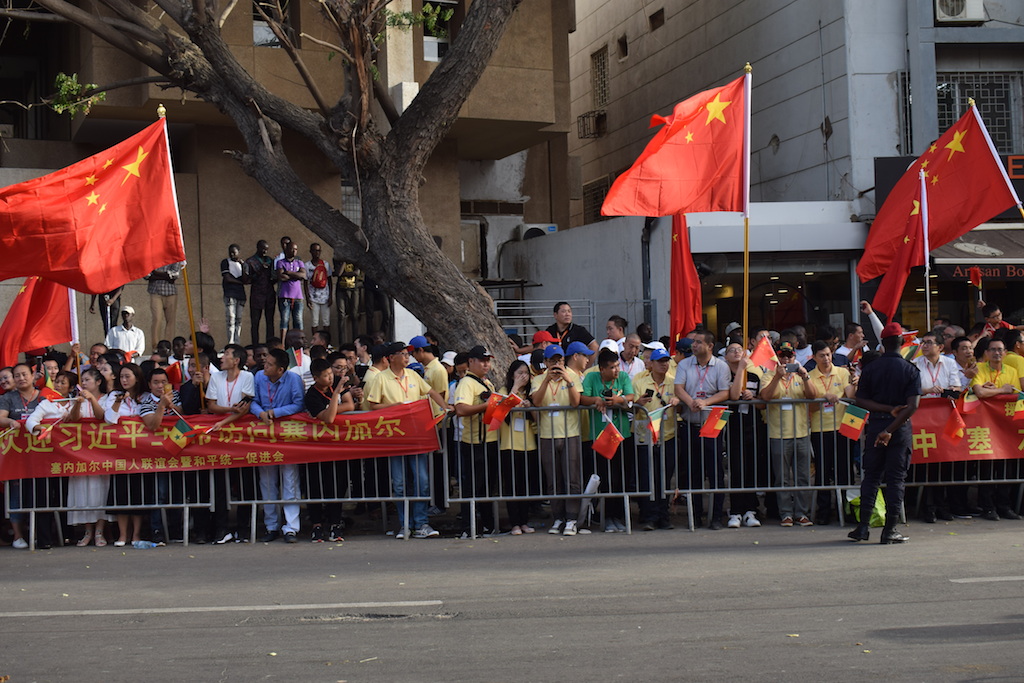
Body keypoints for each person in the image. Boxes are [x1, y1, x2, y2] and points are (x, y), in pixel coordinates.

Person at [848, 322, 921, 544]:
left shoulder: (871, 368)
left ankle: (862, 528)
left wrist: (885, 414)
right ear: (902, 343)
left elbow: (860, 400)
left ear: (883, 343)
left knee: (871, 477)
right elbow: (913, 405)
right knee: (896, 480)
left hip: (877, 426)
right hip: (898, 430)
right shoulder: (910, 369)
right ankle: (889, 530)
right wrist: (891, 426)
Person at [366, 342, 447, 539]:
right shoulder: (381, 379)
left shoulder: (413, 375)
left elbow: (430, 392)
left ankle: (421, 523)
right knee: (400, 483)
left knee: (422, 481)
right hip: (396, 438)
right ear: (390, 357)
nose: (406, 357)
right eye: (402, 354)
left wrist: (445, 406)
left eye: (407, 354)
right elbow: (372, 405)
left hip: (417, 436)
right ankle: (405, 524)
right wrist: (396, 407)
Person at [673, 331, 731, 529]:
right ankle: (695, 514)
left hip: (713, 421)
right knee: (693, 472)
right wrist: (691, 402)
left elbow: (725, 392)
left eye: (699, 342)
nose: (694, 345)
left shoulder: (721, 366)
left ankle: (715, 516)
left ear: (710, 346)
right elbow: (679, 388)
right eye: (694, 342)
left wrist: (705, 402)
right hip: (690, 422)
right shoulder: (684, 364)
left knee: (715, 471)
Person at [250, 348, 307, 543]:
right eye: (265, 362)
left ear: (281, 369)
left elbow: (299, 404)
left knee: (290, 480)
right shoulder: (258, 377)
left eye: (270, 364)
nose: (265, 365)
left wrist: (275, 412)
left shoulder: (293, 379)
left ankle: (291, 527)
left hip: (287, 435)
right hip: (264, 435)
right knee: (266, 481)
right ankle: (271, 525)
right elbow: (253, 401)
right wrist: (261, 413)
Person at [203, 343, 257, 543]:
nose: (222, 357)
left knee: (244, 484)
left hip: (242, 438)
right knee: (220, 485)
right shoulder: (216, 377)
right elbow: (211, 405)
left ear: (236, 360)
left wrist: (224, 420)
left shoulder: (248, 377)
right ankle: (222, 528)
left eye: (226, 354)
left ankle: (243, 529)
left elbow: (244, 408)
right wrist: (229, 410)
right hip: (219, 441)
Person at [759, 342, 814, 528]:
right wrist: (777, 377)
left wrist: (805, 376)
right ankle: (786, 514)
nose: (786, 359)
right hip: (779, 433)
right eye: (782, 356)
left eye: (789, 356)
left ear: (794, 357)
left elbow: (813, 396)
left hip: (801, 432)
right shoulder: (768, 375)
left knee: (803, 476)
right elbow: (765, 396)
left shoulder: (802, 373)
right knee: (781, 476)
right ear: (777, 358)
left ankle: (802, 513)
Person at [531, 344, 584, 536]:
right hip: (547, 434)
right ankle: (558, 517)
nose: (556, 364)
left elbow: (576, 401)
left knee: (572, 478)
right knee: (553, 479)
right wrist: (546, 379)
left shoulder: (572, 376)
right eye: (552, 360)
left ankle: (572, 519)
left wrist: (568, 379)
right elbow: (536, 402)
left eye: (559, 360)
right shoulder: (538, 379)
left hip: (570, 432)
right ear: (545, 362)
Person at [580, 348, 635, 533]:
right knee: (605, 477)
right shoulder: (591, 378)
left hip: (620, 435)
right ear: (602, 369)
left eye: (617, 366)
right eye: (612, 367)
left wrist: (618, 400)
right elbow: (582, 398)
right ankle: (605, 516)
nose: (616, 370)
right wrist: (596, 399)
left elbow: (630, 396)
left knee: (621, 476)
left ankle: (618, 515)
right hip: (600, 436)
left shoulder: (624, 378)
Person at [970, 338, 1022, 521]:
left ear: (1006, 353)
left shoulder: (1013, 371)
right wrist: (1002, 390)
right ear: (987, 353)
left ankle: (1004, 506)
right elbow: (980, 392)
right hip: (985, 428)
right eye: (992, 350)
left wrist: (999, 390)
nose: (996, 353)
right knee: (987, 469)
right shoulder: (980, 368)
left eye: (1000, 350)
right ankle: (988, 507)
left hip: (1006, 428)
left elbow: (1016, 394)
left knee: (1007, 469)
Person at [805, 340, 856, 525]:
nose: (826, 359)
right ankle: (824, 510)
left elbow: (851, 396)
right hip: (820, 429)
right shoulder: (809, 376)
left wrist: (855, 383)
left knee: (845, 470)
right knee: (823, 471)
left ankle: (848, 509)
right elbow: (808, 405)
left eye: (828, 354)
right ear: (814, 357)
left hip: (843, 428)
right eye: (822, 356)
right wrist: (822, 397)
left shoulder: (842, 372)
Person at [304, 357, 356, 542]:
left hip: (338, 446)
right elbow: (328, 418)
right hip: (315, 447)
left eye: (330, 374)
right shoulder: (311, 395)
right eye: (325, 376)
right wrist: (335, 398)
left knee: (337, 486)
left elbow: (350, 405)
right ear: (316, 378)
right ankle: (316, 525)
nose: (330, 378)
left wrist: (333, 407)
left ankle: (335, 524)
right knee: (315, 487)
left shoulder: (338, 384)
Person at [62, 367, 113, 546]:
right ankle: (87, 531)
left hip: (102, 453)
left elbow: (102, 417)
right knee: (83, 491)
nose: (83, 383)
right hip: (80, 454)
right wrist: (78, 402)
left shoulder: (108, 398)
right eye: (82, 380)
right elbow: (74, 419)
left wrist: (92, 400)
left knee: (100, 490)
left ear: (98, 382)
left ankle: (100, 531)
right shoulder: (77, 399)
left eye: (87, 380)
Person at [453, 346, 501, 536]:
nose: (486, 364)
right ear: (471, 362)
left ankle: (488, 525)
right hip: (474, 442)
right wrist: (485, 405)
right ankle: (468, 527)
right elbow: (461, 409)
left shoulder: (487, 383)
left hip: (489, 440)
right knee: (473, 486)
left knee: (488, 487)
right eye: (482, 361)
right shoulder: (466, 383)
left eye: (488, 361)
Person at [0, 363, 49, 548]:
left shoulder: (44, 395)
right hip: (17, 454)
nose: (21, 378)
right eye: (17, 375)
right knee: (16, 493)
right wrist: (10, 421)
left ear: (33, 375)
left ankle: (36, 533)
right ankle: (18, 536)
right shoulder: (8, 398)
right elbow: (1, 417)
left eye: (24, 374)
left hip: (42, 453)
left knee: (38, 494)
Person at [102, 363, 148, 547]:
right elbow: (109, 419)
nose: (124, 380)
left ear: (137, 377)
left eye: (128, 376)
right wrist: (119, 401)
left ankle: (136, 534)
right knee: (121, 493)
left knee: (137, 494)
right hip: (119, 452)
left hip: (141, 451)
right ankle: (122, 535)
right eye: (121, 377)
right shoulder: (113, 396)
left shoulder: (144, 396)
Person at [633, 348, 679, 530]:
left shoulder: (674, 382)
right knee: (647, 478)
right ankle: (648, 516)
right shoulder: (639, 382)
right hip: (645, 436)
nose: (664, 364)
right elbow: (631, 406)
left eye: (666, 360)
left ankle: (663, 516)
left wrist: (678, 402)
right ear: (651, 363)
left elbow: (681, 406)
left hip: (667, 435)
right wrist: (638, 403)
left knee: (665, 478)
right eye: (660, 361)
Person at [723, 342, 765, 529]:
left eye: (739, 350)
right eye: (732, 350)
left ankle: (751, 509)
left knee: (751, 468)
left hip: (753, 426)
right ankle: (736, 510)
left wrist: (753, 398)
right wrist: (740, 369)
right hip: (733, 427)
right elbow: (732, 395)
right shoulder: (725, 375)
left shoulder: (755, 376)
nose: (736, 352)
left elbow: (762, 403)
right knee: (737, 468)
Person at [498, 360, 538, 535]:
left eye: (526, 373)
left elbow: (538, 420)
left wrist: (531, 408)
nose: (523, 377)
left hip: (528, 444)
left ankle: (524, 521)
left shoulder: (530, 394)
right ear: (512, 374)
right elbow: (499, 412)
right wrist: (515, 387)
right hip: (509, 444)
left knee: (525, 485)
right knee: (512, 485)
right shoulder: (504, 391)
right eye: (519, 373)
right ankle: (514, 522)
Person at [145, 262, 184, 352]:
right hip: (155, 292)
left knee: (171, 321)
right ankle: (156, 347)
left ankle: (168, 346)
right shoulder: (151, 258)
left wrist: (156, 273)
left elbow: (174, 275)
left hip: (171, 293)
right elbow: (147, 275)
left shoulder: (174, 258)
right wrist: (165, 275)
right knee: (157, 319)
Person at [246, 239, 277, 345]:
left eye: (266, 249)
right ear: (258, 248)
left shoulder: (270, 260)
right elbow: (247, 280)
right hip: (256, 294)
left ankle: (270, 344)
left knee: (270, 321)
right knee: (255, 322)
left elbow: (275, 277)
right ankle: (255, 345)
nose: (264, 251)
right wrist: (259, 270)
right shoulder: (250, 261)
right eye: (263, 249)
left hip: (269, 293)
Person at [276, 240, 307, 336]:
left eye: (296, 249)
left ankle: (298, 344)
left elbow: (303, 275)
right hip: (285, 296)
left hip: (298, 297)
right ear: (286, 250)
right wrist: (296, 276)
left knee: (298, 321)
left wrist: (289, 273)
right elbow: (281, 277)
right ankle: (283, 344)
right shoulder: (280, 262)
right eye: (292, 249)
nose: (294, 251)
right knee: (285, 321)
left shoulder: (299, 262)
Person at [221, 243, 250, 345]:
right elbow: (227, 278)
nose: (232, 254)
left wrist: (243, 265)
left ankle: (237, 341)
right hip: (230, 293)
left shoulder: (241, 264)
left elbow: (246, 280)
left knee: (239, 319)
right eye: (230, 252)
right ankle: (231, 342)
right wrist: (240, 282)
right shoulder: (225, 262)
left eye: (234, 252)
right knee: (231, 318)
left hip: (240, 295)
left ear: (239, 252)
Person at [304, 243, 333, 336]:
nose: (316, 253)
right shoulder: (307, 265)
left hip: (325, 296)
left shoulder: (325, 264)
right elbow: (305, 282)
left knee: (326, 320)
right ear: (310, 251)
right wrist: (307, 298)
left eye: (318, 250)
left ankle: (327, 342)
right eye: (314, 250)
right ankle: (315, 341)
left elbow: (330, 281)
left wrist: (330, 296)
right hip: (313, 297)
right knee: (314, 321)